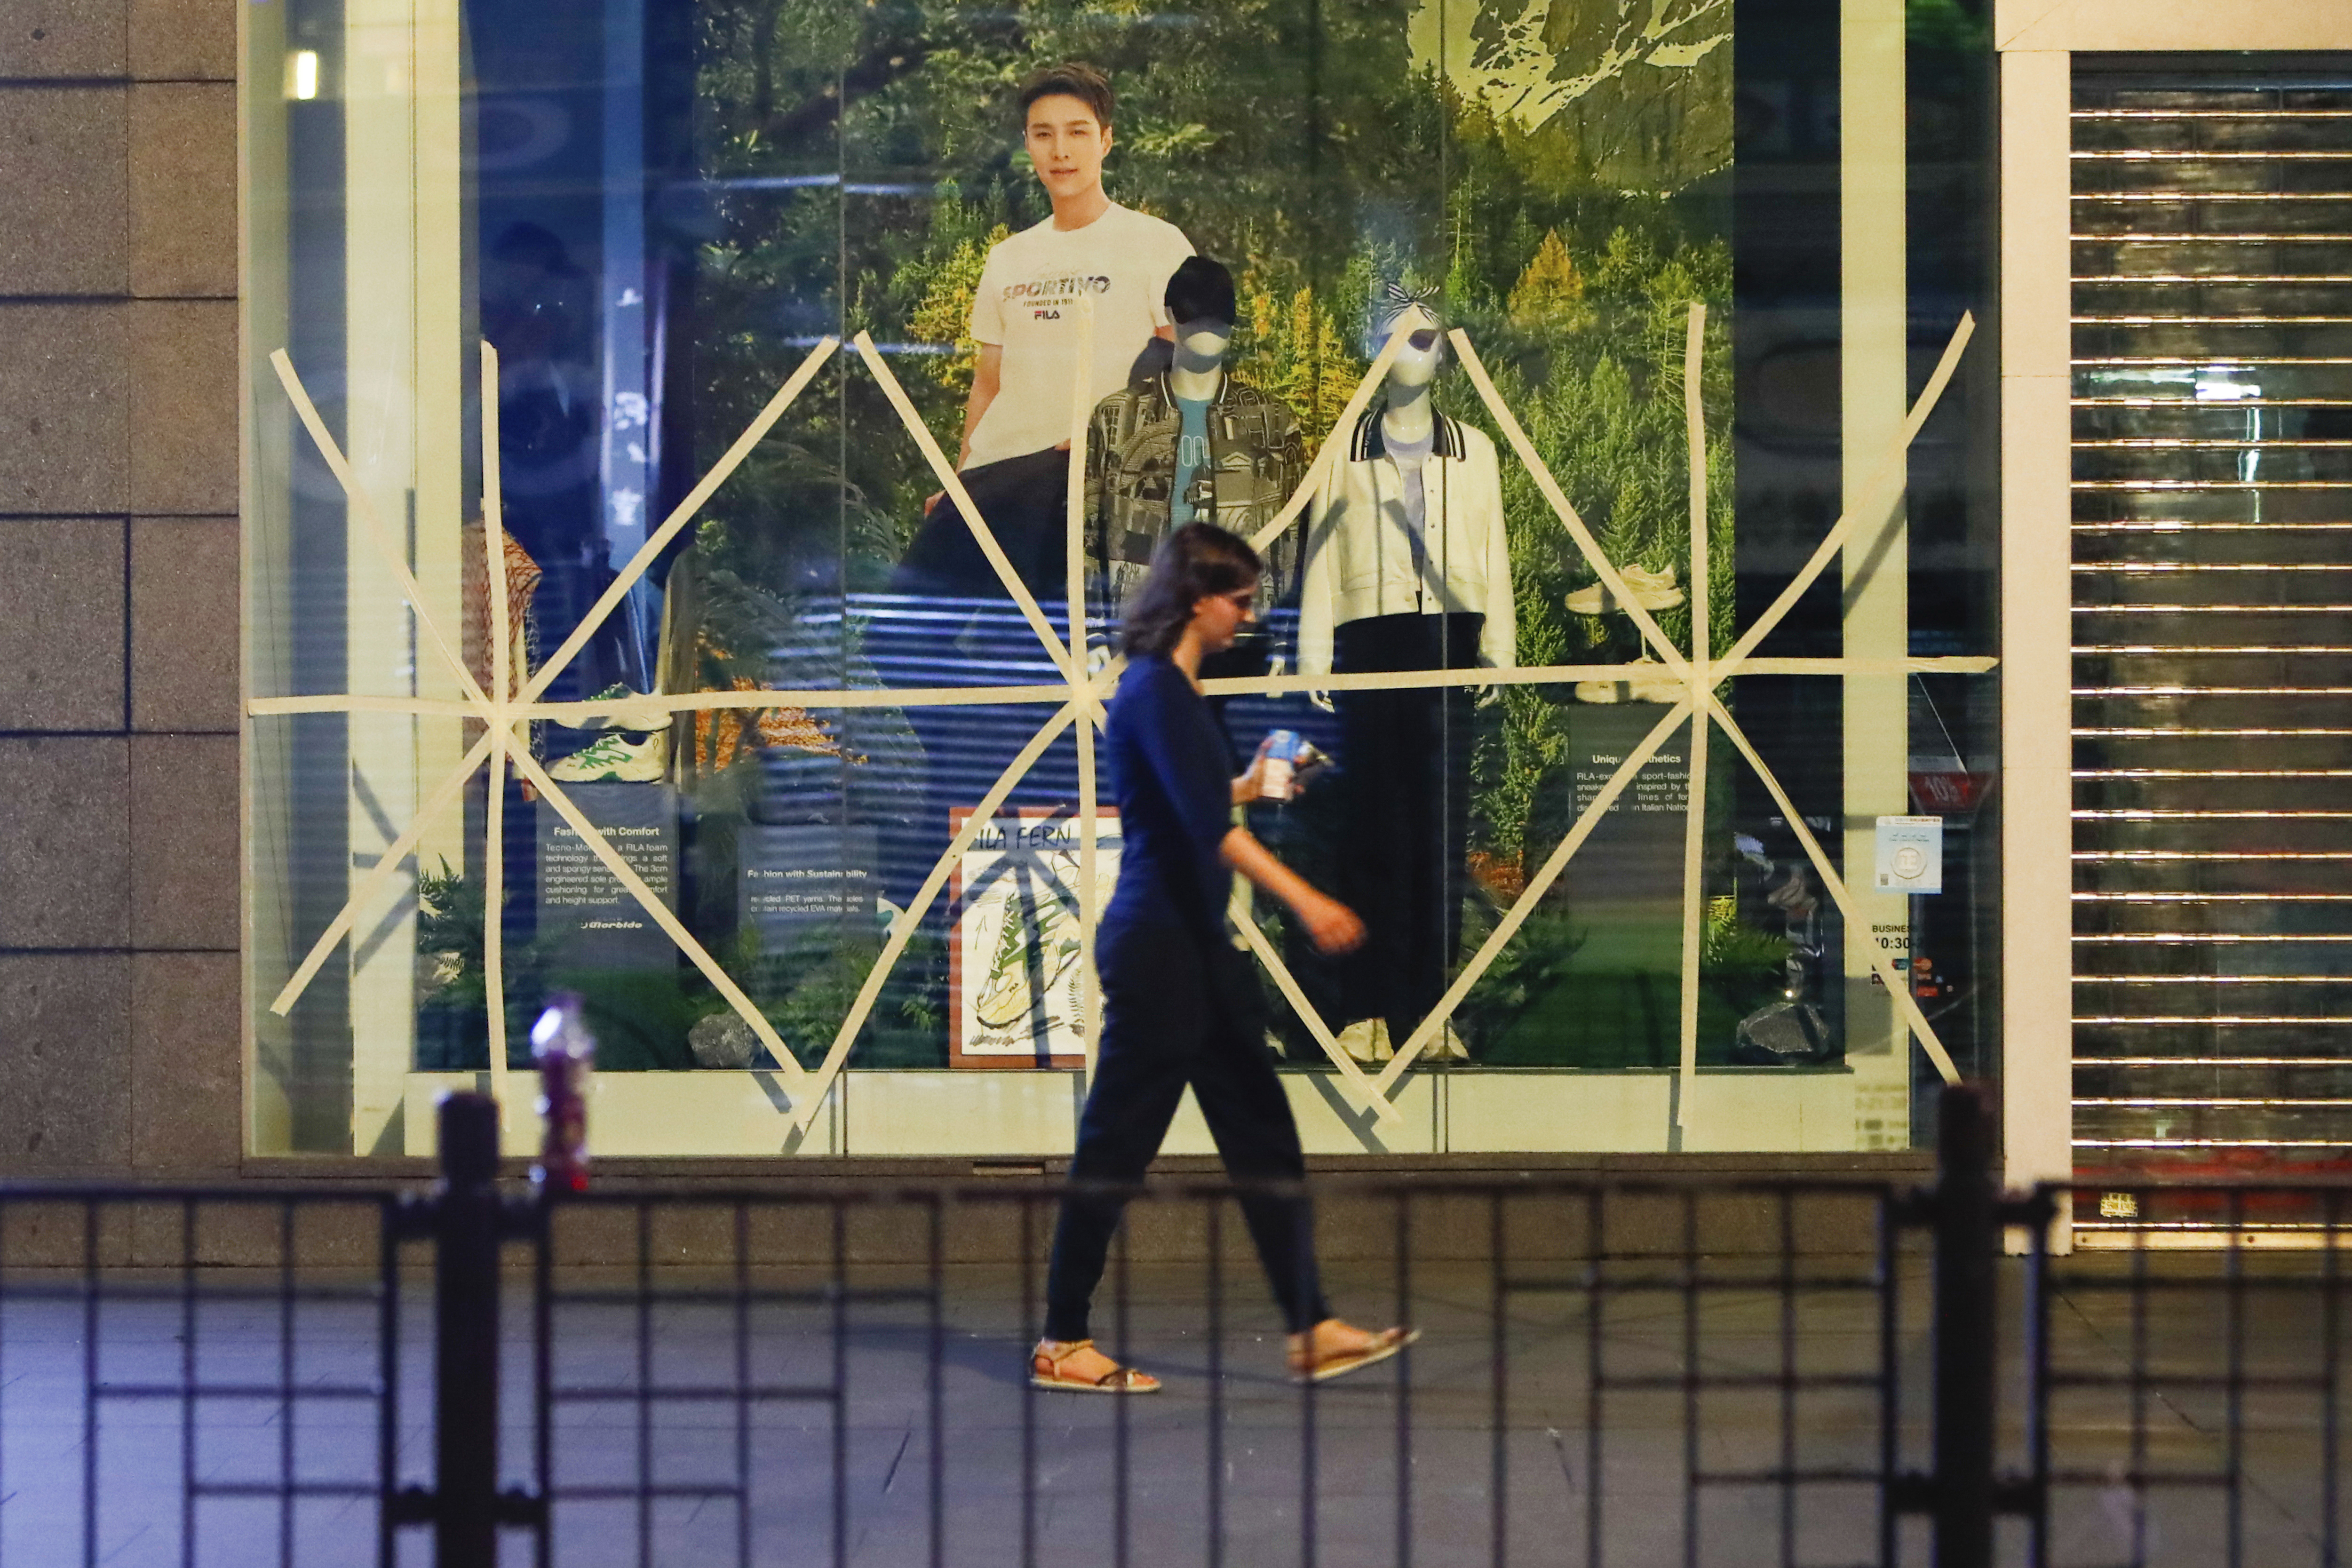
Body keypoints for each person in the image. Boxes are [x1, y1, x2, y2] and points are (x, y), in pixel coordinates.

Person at [1030, 523, 1417, 1393]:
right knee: (1117, 1146)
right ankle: (1061, 1339)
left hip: (1197, 948)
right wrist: (1310, 900)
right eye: (1238, 599)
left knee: (1263, 1138)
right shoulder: (1156, 690)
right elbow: (1208, 833)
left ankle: (1311, 1325)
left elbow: (1200, 802)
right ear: (1197, 597)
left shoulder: (1179, 693)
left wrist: (1253, 782)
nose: (1247, 615)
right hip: (1159, 951)